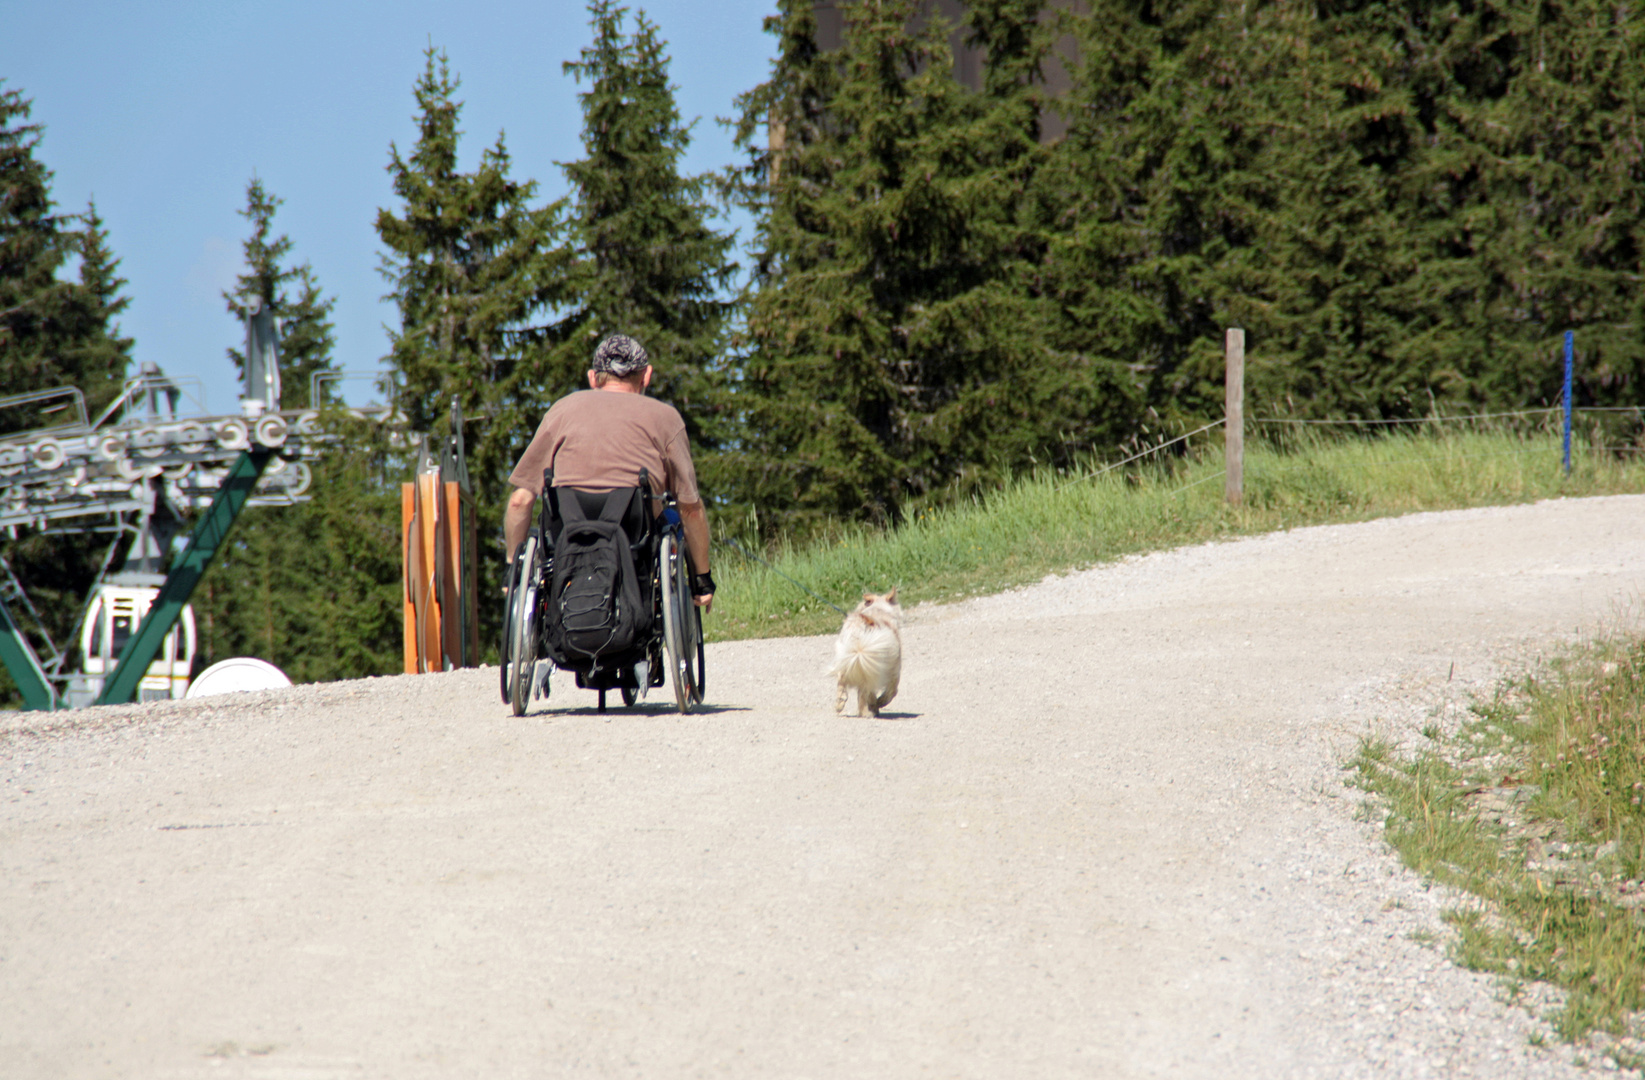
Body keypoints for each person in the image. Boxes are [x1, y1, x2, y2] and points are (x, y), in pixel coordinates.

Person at [504, 334, 715, 611]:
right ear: (646, 376)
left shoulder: (561, 411)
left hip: (568, 535)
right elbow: (691, 509)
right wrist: (702, 579)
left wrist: (513, 569)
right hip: (636, 536)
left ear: (593, 378)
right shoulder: (666, 417)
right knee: (674, 515)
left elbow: (520, 501)